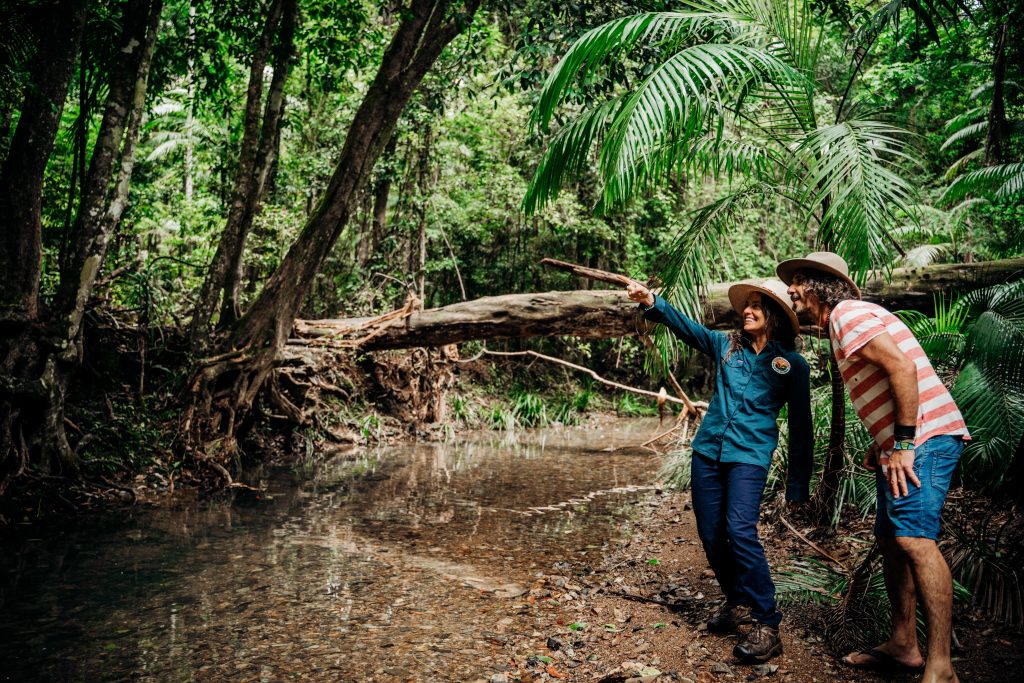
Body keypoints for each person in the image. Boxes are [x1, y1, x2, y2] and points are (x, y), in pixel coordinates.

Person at [777, 251, 968, 683]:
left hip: (924, 439)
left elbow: (901, 367)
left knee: (915, 541)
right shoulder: (846, 320)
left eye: (799, 281)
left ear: (820, 286)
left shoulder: (847, 314)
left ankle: (941, 666)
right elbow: (886, 377)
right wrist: (879, 441)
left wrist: (901, 442)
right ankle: (904, 645)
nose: (791, 290)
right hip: (902, 441)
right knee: (890, 539)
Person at [626, 277, 813, 663]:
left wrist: (797, 486)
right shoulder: (726, 345)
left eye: (757, 305)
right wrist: (652, 301)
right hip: (708, 452)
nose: (747, 309)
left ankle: (768, 622)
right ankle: (737, 601)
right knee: (710, 533)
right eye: (747, 304)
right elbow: (688, 328)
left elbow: (801, 427)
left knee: (739, 530)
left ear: (775, 314)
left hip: (750, 455)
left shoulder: (790, 365)